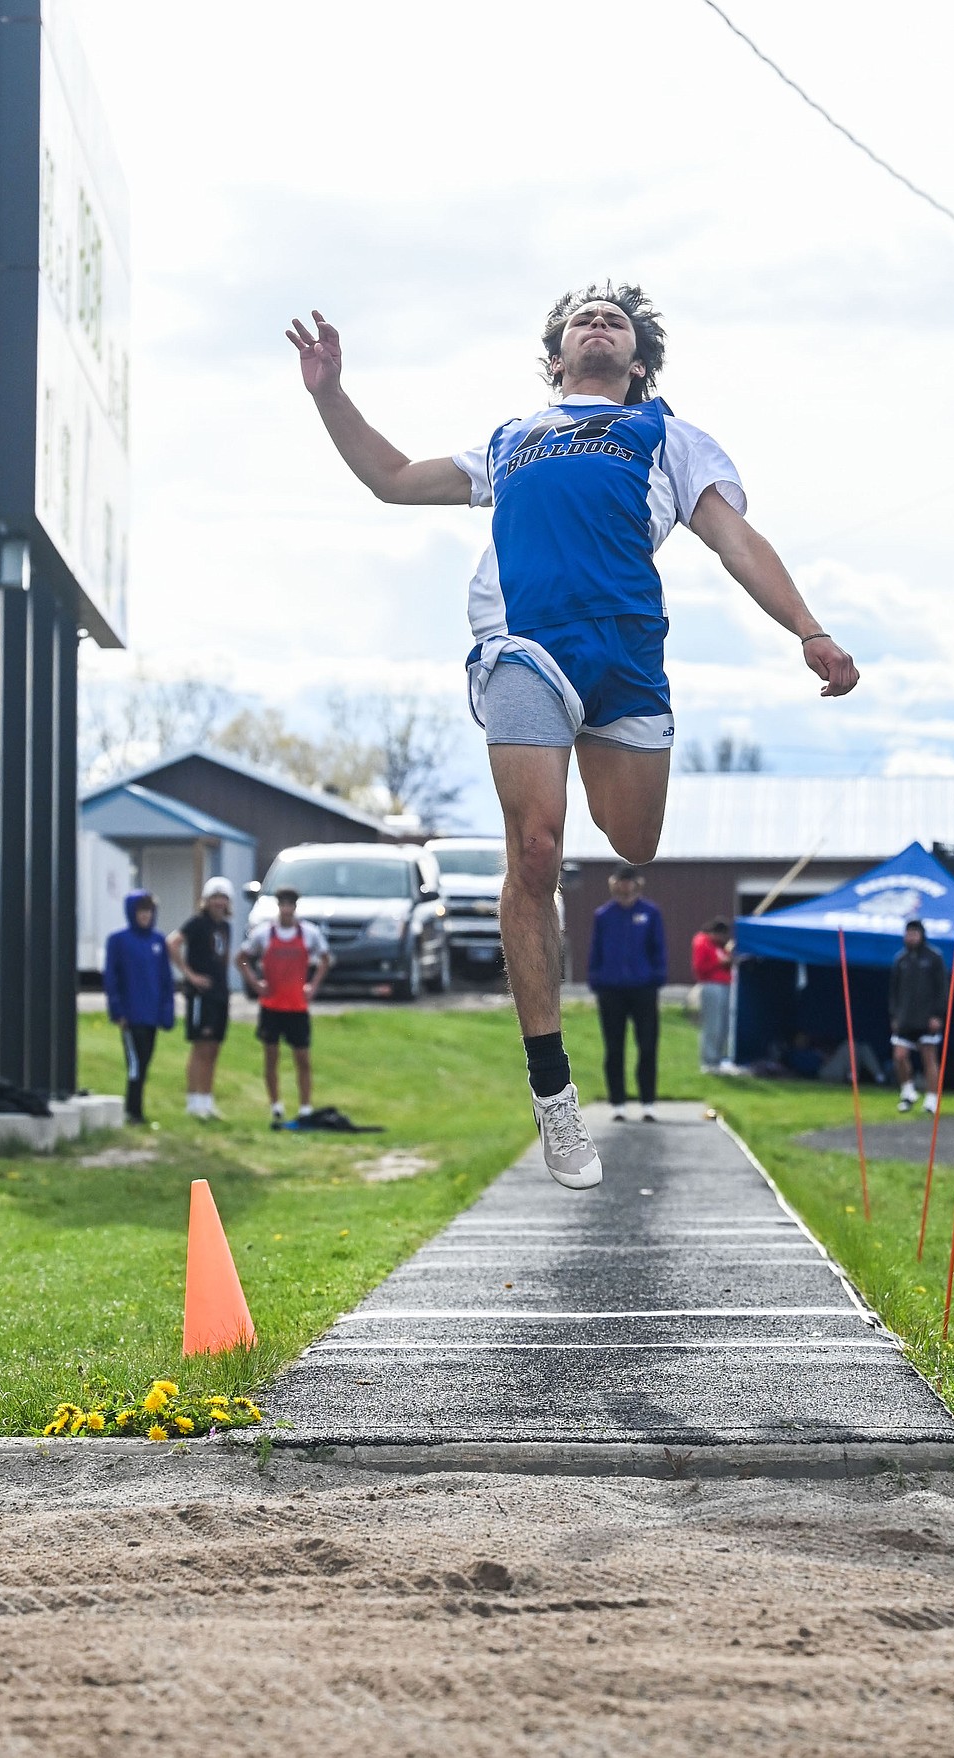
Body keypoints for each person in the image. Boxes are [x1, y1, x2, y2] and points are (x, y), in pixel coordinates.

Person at [287, 286, 858, 1189]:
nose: (597, 322)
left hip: (625, 656)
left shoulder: (666, 435)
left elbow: (736, 542)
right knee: (537, 848)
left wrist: (810, 630)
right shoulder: (512, 439)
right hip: (524, 648)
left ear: (637, 363)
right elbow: (392, 480)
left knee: (636, 841)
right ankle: (553, 1092)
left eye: (615, 319)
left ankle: (592, 790)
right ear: (555, 356)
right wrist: (330, 394)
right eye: (581, 317)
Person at [235, 887, 331, 1126]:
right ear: (278, 907)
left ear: (295, 907)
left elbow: (325, 959)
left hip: (297, 1006)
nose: (287, 910)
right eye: (283, 905)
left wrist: (312, 985)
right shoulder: (264, 933)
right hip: (272, 1005)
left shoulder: (308, 933)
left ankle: (305, 1107)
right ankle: (276, 1106)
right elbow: (242, 958)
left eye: (291, 905)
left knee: (302, 1057)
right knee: (271, 1056)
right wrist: (256, 984)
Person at [587, 865, 667, 1121]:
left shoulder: (650, 913)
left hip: (643, 988)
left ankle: (648, 1102)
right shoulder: (604, 915)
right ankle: (618, 1102)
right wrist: (596, 978)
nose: (624, 887)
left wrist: (656, 977)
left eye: (628, 882)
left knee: (647, 1045)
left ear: (636, 884)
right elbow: (596, 948)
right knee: (614, 1047)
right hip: (611, 989)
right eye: (620, 882)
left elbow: (658, 947)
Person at [103, 890, 174, 1125]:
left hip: (151, 1015)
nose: (145, 916)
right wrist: (117, 1010)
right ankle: (133, 1111)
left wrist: (166, 1011)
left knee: (145, 1062)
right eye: (141, 911)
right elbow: (112, 979)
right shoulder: (119, 941)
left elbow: (165, 979)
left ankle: (136, 1109)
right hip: (130, 1016)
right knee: (135, 1065)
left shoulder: (157, 942)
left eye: (149, 911)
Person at [166, 877, 234, 1121]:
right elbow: (173, 943)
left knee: (215, 1047)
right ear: (206, 900)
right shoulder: (197, 923)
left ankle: (207, 1099)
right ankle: (193, 1100)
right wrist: (189, 975)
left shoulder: (225, 927)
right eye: (215, 897)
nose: (219, 903)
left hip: (219, 993)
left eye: (223, 898)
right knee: (201, 1047)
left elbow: (228, 957)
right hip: (201, 995)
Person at [889, 920, 947, 1115]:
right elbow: (894, 991)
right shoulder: (901, 960)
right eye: (908, 934)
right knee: (899, 1056)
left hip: (927, 1018)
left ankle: (932, 1098)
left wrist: (937, 1014)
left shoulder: (934, 958)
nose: (911, 937)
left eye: (914, 933)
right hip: (905, 1018)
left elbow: (942, 990)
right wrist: (895, 1015)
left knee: (929, 1057)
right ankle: (908, 1091)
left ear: (921, 935)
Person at [691, 917, 738, 1074]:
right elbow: (701, 967)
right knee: (713, 1024)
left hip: (724, 985)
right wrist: (721, 962)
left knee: (723, 1025)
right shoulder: (702, 942)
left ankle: (718, 1059)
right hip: (711, 985)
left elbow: (726, 961)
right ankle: (709, 1061)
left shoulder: (718, 947)